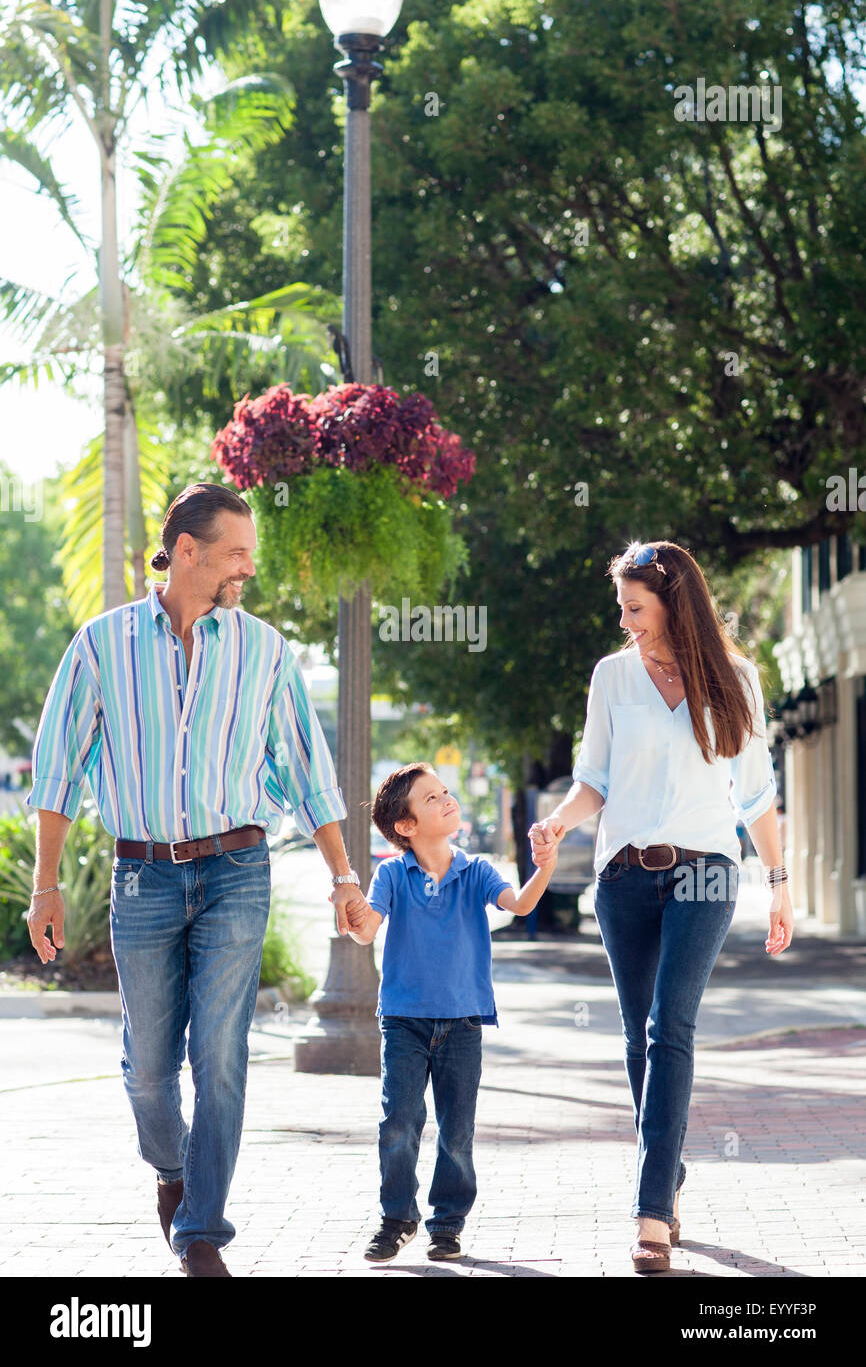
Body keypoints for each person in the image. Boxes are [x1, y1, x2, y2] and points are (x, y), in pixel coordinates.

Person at [25, 483, 366, 1277]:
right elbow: (56, 772)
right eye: (236, 554)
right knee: (149, 1068)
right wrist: (46, 888)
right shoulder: (101, 645)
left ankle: (203, 1229)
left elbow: (309, 774)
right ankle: (173, 1171)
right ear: (187, 552)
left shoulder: (266, 650)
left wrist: (343, 875)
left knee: (220, 1053)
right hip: (143, 876)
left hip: (236, 871)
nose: (248, 568)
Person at [530, 540, 793, 1275]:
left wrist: (779, 881)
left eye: (636, 607)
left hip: (706, 873)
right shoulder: (613, 677)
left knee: (669, 1025)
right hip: (624, 879)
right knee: (638, 1033)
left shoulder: (735, 678)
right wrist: (561, 822)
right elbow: (594, 780)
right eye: (622, 608)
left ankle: (650, 1213)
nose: (627, 621)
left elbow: (757, 794)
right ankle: (667, 1174)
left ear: (675, 602)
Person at [344, 762, 563, 1262]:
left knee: (456, 1129)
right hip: (403, 1020)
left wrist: (544, 864)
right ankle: (397, 1217)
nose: (447, 799)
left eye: (445, 792)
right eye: (430, 798)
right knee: (398, 1120)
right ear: (406, 826)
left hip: (464, 1020)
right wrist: (352, 916)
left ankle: (447, 1223)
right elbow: (366, 930)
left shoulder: (477, 871)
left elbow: (522, 905)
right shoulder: (392, 875)